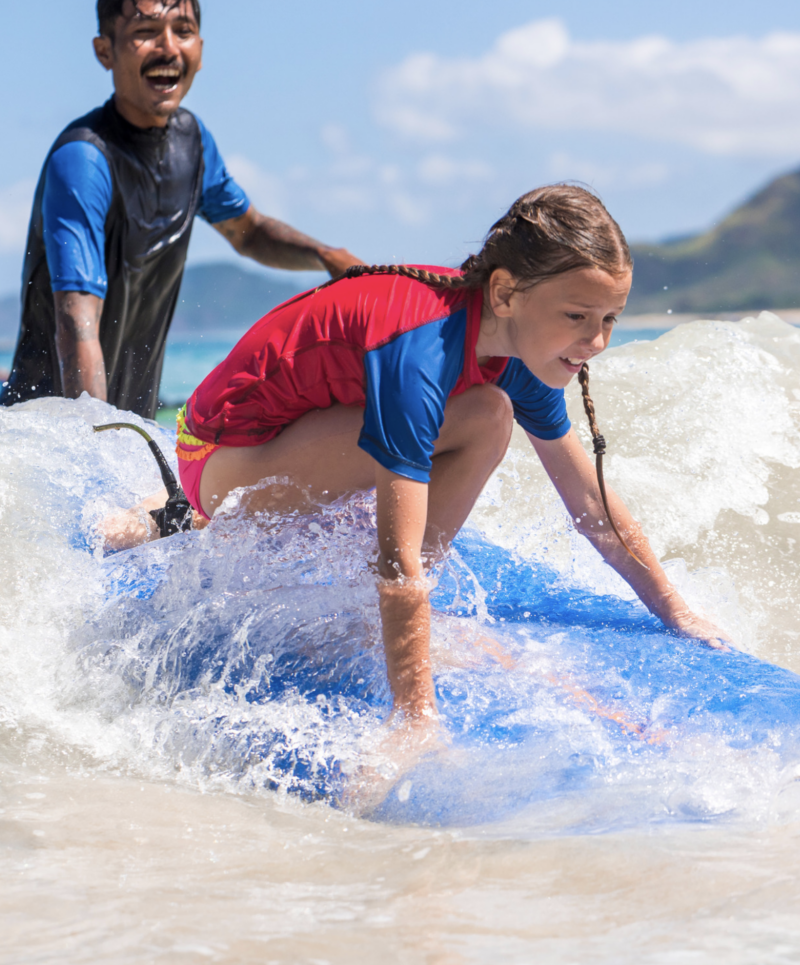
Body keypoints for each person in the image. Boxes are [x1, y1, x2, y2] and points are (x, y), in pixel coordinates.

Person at [100, 184, 728, 738]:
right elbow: (398, 562)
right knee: (486, 417)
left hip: (277, 445)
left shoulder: (516, 345)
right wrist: (415, 716)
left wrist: (674, 610)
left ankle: (171, 518)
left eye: (610, 319)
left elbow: (590, 503)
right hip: (220, 461)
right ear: (507, 292)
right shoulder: (423, 349)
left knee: (485, 411)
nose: (596, 343)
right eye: (577, 317)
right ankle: (197, 515)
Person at [0, 0, 361, 418]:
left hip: (129, 434)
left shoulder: (193, 143)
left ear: (201, 51)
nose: (168, 48)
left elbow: (249, 233)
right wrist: (97, 452)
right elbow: (78, 323)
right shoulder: (83, 159)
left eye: (182, 30)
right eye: (145, 31)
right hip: (43, 447)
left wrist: (327, 256)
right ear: (104, 52)